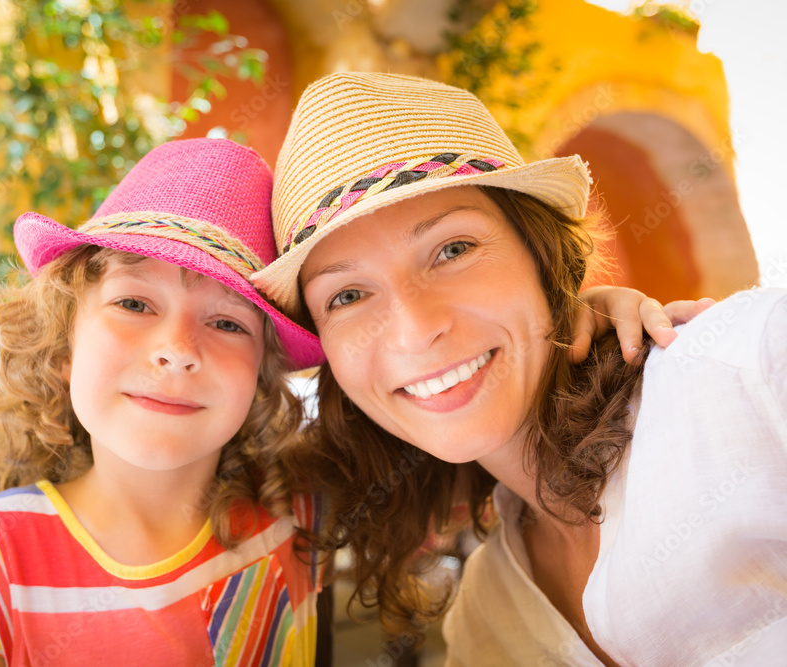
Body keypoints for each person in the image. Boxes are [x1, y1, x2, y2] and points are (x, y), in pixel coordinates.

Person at [252, 72, 786, 666]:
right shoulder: (488, 619)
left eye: (452, 250)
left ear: (543, 255)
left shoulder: (741, 376)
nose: (414, 329)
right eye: (347, 296)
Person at [0, 138, 328, 666]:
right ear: (62, 347)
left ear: (260, 378)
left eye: (227, 323)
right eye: (134, 303)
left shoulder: (295, 514)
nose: (177, 351)